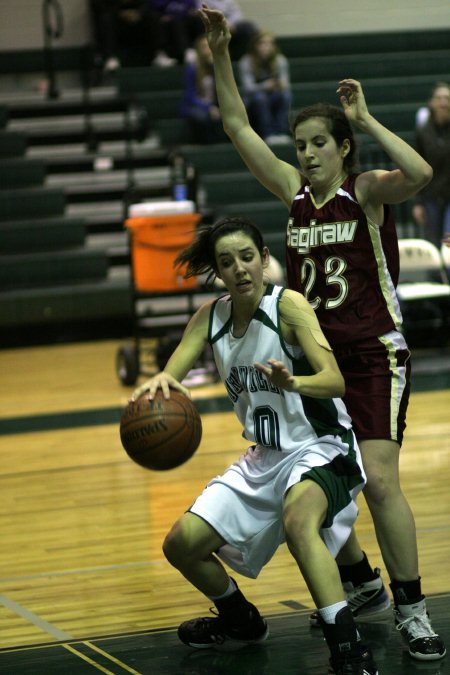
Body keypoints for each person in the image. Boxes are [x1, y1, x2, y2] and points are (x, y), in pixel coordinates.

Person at [198, 5, 446, 662]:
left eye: (317, 143)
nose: (304, 154)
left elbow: (421, 175)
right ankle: (362, 583)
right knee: (308, 474)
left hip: (371, 354)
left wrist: (364, 119)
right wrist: (221, 53)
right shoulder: (291, 194)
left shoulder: (364, 191)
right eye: (300, 143)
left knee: (382, 480)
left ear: (340, 149)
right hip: (312, 358)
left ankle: (412, 607)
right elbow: (234, 124)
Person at [131, 216, 377, 675]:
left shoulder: (290, 307)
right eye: (228, 262)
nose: (240, 268)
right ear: (219, 274)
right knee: (180, 544)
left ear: (264, 260)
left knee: (300, 524)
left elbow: (335, 381)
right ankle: (241, 621)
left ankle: (349, 649)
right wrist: (160, 384)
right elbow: (171, 374)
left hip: (319, 446)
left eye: (248, 257)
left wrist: (294, 380)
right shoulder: (210, 318)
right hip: (263, 458)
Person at [412, 81, 450, 248]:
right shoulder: (423, 132)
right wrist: (417, 203)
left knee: (448, 243)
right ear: (431, 103)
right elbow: (416, 168)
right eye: (439, 98)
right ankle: (436, 275)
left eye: (447, 98)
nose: (443, 102)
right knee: (433, 245)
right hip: (431, 198)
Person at [89, 0, 175, 73]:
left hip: (137, 19)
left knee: (153, 16)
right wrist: (121, 13)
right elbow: (99, 5)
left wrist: (139, 13)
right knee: (106, 19)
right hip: (116, 20)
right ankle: (110, 58)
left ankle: (159, 54)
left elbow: (146, 3)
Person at [238, 30, 292, 143]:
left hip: (273, 95)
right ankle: (268, 133)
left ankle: (281, 132)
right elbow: (248, 88)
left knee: (285, 95)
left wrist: (281, 84)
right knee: (260, 98)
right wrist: (265, 86)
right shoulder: (246, 61)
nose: (265, 47)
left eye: (269, 43)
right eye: (262, 43)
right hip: (253, 99)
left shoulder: (280, 60)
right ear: (255, 45)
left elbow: (285, 84)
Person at [180, 34, 227, 143]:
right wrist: (208, 108)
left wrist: (214, 68)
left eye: (210, 46)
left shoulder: (217, 66)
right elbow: (190, 96)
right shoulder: (192, 69)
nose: (208, 49)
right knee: (201, 117)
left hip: (215, 105)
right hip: (196, 105)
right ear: (199, 50)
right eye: (204, 46)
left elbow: (222, 91)